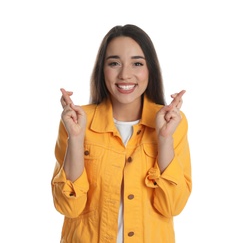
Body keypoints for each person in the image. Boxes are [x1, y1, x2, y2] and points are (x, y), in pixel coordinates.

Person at [51, 24, 192, 243]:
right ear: (102, 70)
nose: (125, 74)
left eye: (137, 63)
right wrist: (76, 139)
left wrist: (164, 140)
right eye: (114, 63)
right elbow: (68, 206)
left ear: (150, 70)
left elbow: (172, 206)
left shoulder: (173, 124)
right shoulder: (77, 122)